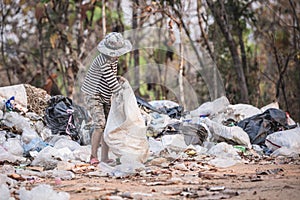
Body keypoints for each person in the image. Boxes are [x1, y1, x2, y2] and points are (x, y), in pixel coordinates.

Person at [81, 32, 132, 165]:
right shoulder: (102, 60)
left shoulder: (114, 59)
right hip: (93, 94)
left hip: (106, 94)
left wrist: (120, 80)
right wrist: (125, 96)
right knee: (100, 124)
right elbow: (111, 82)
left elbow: (112, 77)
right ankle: (93, 156)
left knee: (109, 125)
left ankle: (104, 157)